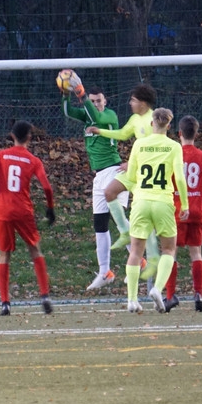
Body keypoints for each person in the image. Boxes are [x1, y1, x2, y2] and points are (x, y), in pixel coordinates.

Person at [0, 120, 56, 316]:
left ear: (12, 136)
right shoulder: (33, 160)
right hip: (23, 210)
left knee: (4, 255)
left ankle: (5, 303)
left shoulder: (1, 155)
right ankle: (44, 295)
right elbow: (47, 187)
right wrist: (50, 208)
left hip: (4, 210)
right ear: (29, 138)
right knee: (35, 250)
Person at [122, 107, 188, 314]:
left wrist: (138, 191)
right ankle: (157, 289)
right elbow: (179, 178)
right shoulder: (174, 146)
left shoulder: (139, 144)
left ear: (152, 123)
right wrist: (185, 204)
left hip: (141, 201)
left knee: (135, 251)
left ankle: (132, 299)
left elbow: (130, 177)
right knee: (168, 249)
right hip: (163, 202)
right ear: (169, 126)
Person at [60, 81, 125, 291]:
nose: (96, 104)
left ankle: (141, 259)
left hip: (114, 171)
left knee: (118, 218)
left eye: (99, 100)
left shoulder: (109, 116)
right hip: (99, 176)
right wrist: (65, 94)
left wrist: (81, 93)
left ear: (105, 101)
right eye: (93, 101)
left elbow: (97, 118)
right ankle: (105, 272)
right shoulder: (88, 115)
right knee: (100, 224)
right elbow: (68, 112)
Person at [94, 83, 161, 283]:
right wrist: (100, 131)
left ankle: (148, 259)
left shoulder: (153, 120)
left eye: (133, 100)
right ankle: (125, 233)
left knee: (142, 216)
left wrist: (132, 162)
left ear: (143, 103)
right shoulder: (134, 119)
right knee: (109, 192)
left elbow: (156, 149)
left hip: (147, 172)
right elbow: (123, 134)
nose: (130, 103)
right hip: (133, 170)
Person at [165, 115, 202, 312]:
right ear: (196, 134)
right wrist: (198, 191)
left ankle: (170, 295)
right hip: (196, 211)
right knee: (196, 253)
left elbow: (167, 179)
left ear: (179, 133)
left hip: (177, 211)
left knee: (170, 252)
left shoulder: (173, 154)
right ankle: (198, 294)